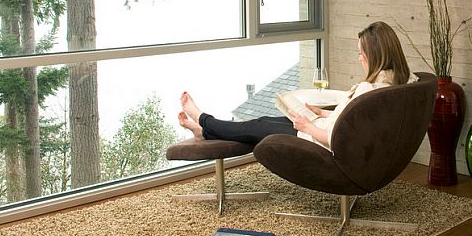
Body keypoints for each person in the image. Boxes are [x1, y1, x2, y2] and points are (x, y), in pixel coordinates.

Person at [177, 21, 418, 151]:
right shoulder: (401, 82)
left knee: (257, 125)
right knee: (263, 121)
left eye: (361, 54)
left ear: (374, 55)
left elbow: (337, 139)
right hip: (320, 125)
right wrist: (322, 113)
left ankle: (203, 119)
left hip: (318, 139)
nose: (359, 59)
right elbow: (356, 120)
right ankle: (203, 130)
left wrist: (306, 126)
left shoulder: (370, 90)